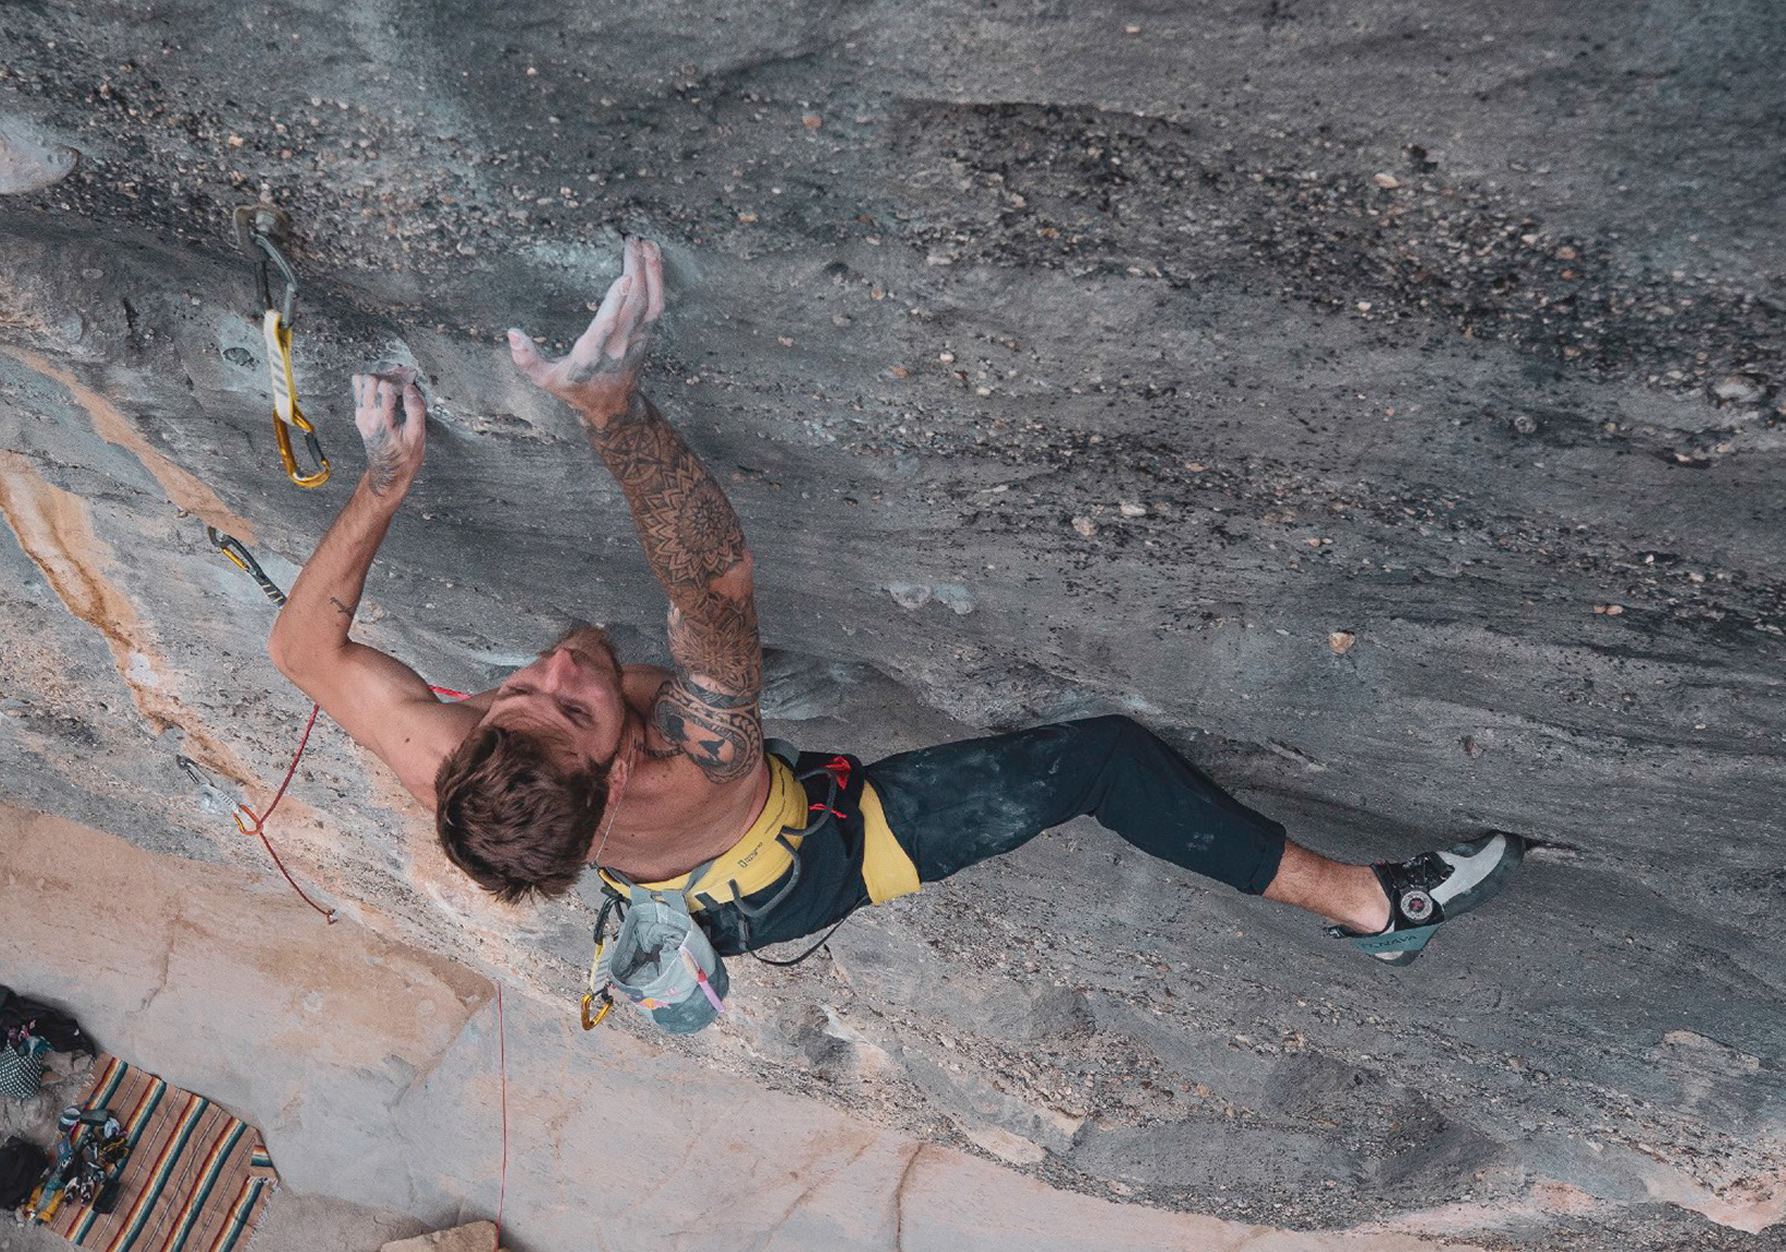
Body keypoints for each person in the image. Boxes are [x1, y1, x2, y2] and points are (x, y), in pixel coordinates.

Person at [266, 238, 1523, 974]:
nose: (552, 665)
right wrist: (615, 411)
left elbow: (299, 642)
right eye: (575, 700)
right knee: (1097, 762)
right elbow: (709, 588)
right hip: (786, 865)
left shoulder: (458, 760)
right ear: (619, 767)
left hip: (658, 880)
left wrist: (386, 481)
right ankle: (1372, 909)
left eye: (522, 690)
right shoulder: (695, 764)